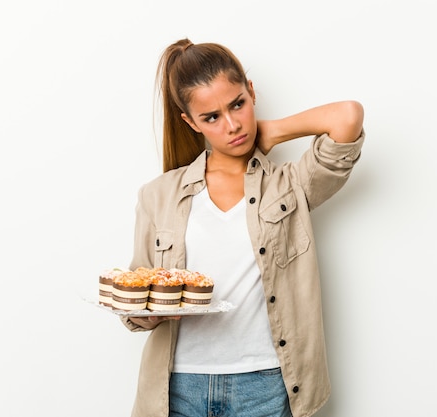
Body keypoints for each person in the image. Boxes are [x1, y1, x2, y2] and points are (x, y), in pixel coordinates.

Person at [121, 38, 365, 417]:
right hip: (178, 389)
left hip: (265, 384)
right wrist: (151, 312)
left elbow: (348, 116)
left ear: (252, 93)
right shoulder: (158, 196)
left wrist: (272, 132)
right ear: (190, 122)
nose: (233, 125)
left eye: (238, 104)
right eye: (211, 117)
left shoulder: (290, 185)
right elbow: (137, 300)